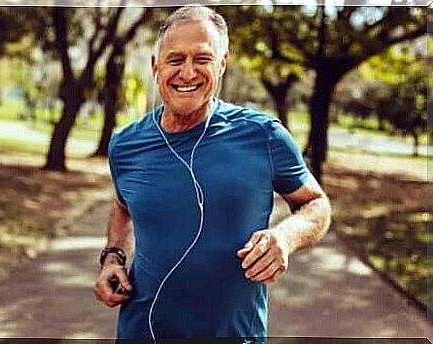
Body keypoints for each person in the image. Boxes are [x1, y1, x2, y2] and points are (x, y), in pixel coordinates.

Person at [93, 5, 331, 340]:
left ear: (222, 63)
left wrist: (285, 238)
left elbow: (316, 204)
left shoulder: (263, 135)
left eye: (202, 59)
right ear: (155, 66)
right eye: (175, 59)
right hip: (141, 332)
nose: (187, 73)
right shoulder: (125, 144)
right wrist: (113, 258)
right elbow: (123, 206)